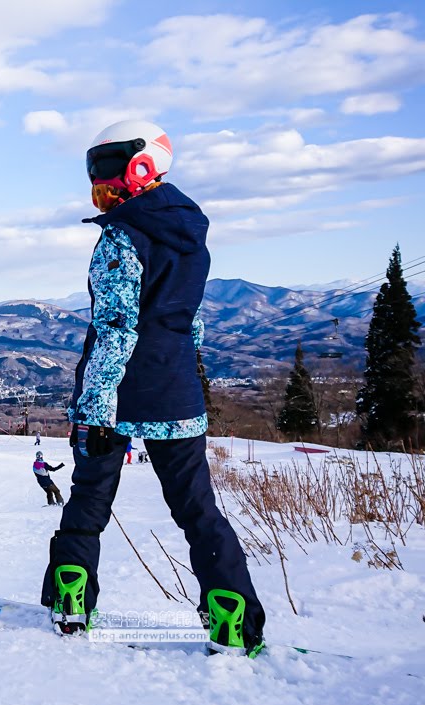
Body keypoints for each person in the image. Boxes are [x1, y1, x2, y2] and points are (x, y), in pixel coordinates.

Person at [40, 119, 265, 657]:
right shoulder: (190, 235)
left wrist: (94, 407)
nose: (101, 180)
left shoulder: (121, 237)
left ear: (143, 164)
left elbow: (117, 330)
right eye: (94, 166)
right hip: (176, 392)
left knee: (89, 500)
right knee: (196, 509)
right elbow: (190, 321)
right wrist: (181, 368)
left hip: (118, 396)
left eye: (109, 165)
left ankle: (72, 599)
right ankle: (231, 616)